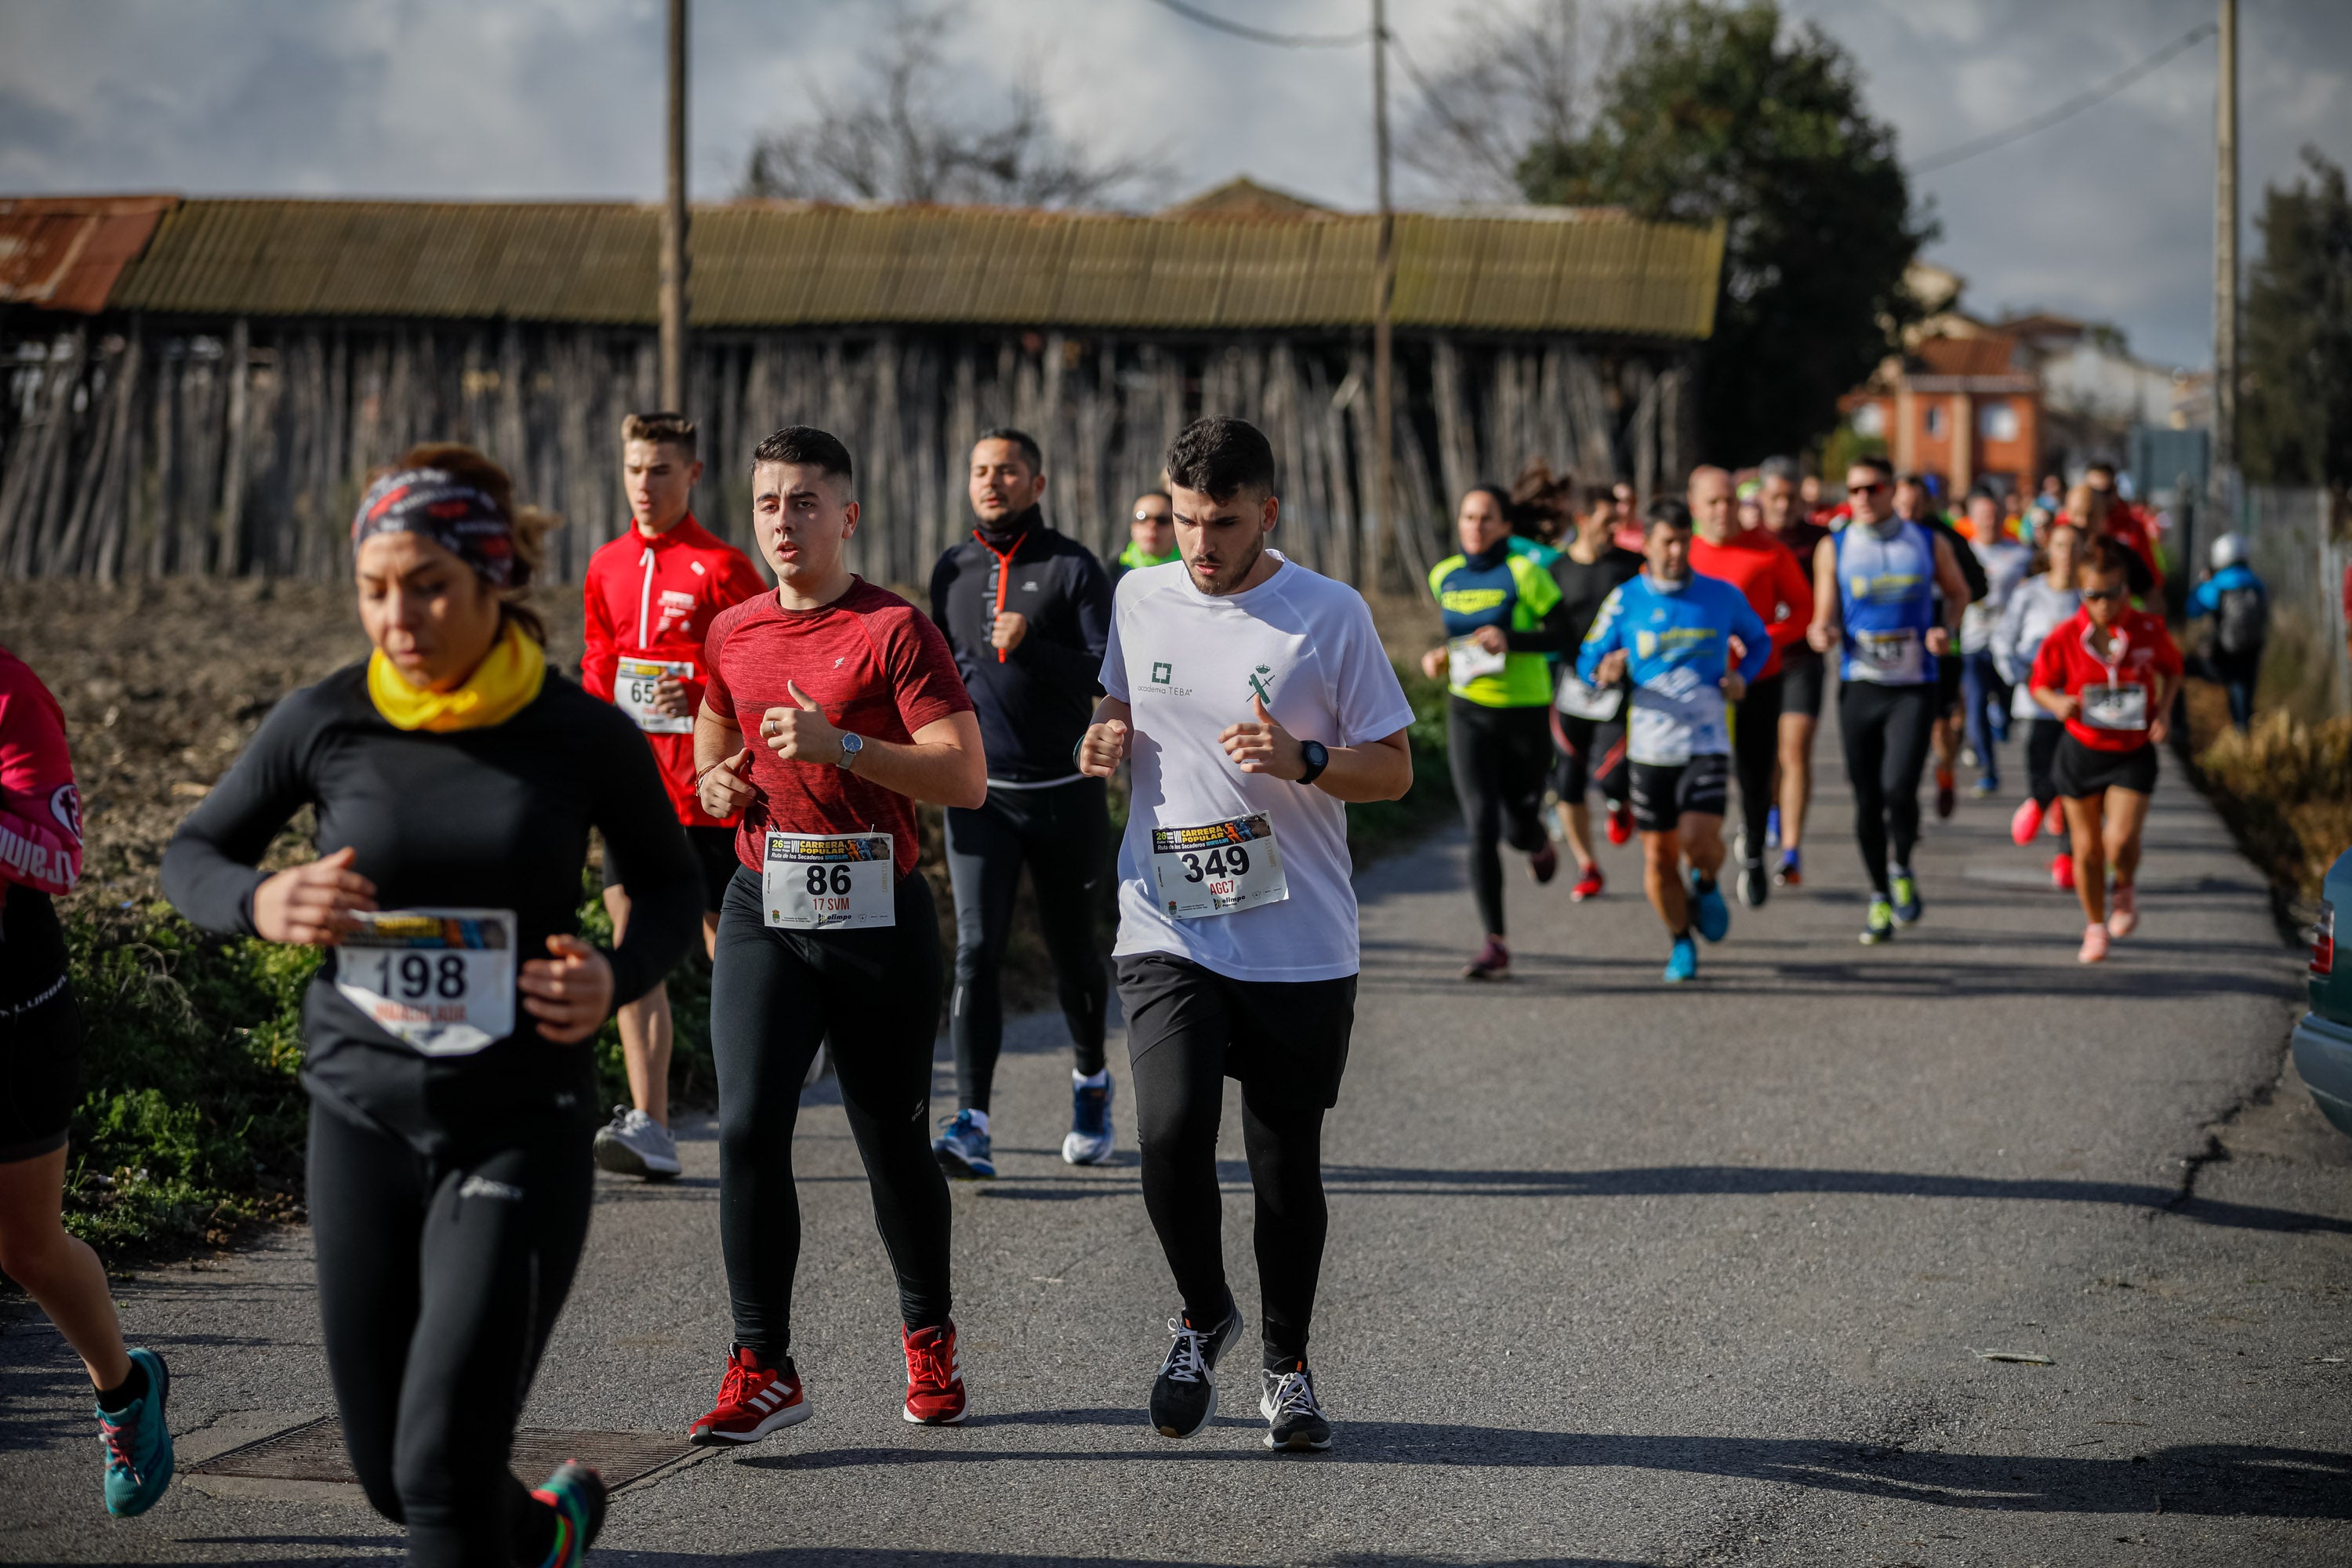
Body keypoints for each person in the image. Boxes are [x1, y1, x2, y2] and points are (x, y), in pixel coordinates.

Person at [162, 445, 703, 1565]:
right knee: (389, 1476)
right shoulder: (327, 719)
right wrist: (263, 899)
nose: (397, 618)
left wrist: (613, 975)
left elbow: (668, 886)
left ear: (492, 574)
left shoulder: (578, 731)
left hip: (517, 1123)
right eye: (373, 590)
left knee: (441, 1467)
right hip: (360, 1117)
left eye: (427, 586)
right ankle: (542, 1532)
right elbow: (193, 855)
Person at [1076, 416, 1413, 1454]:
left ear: (1267, 511)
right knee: (1169, 1129)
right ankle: (1202, 1311)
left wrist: (1306, 759)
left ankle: (1286, 1367)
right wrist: (1105, 730)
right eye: (1184, 520)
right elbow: (1118, 696)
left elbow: (1393, 769)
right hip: (1166, 918)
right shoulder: (1139, 594)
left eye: (1221, 522)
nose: (1200, 543)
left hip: (1297, 934)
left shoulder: (1329, 614)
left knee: (1283, 1164)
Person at [688, 426, 987, 1442]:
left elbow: (963, 775)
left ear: (847, 516)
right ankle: (762, 1365)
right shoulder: (734, 629)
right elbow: (714, 723)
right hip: (764, 903)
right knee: (744, 1128)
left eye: (805, 501)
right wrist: (715, 780)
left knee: (892, 1142)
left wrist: (844, 745)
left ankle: (928, 1333)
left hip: (877, 912)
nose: (784, 520)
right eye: (769, 502)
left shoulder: (894, 630)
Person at [1, 644, 175, 1520]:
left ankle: (123, 1388)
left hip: (14, 1016)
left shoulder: (11, 695)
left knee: (26, 1249)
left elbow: (61, 859)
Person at [580, 411, 767, 1181]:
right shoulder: (606, 565)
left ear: (692, 474)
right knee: (634, 949)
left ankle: (761, 1094)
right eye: (634, 469)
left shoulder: (723, 567)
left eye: (660, 470)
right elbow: (598, 661)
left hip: (710, 793)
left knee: (734, 951)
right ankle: (652, 1124)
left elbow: (757, 666)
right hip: (634, 793)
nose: (644, 484)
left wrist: (698, 698)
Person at [928, 428, 1116, 1176]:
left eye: (1007, 470)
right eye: (980, 469)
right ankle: (971, 1121)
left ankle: (1091, 1081)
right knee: (976, 951)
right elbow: (937, 676)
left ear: (1036, 484)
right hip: (981, 796)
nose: (991, 481)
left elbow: (1107, 676)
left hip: (1065, 795)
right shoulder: (952, 568)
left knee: (1074, 955)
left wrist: (1033, 645)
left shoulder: (1073, 566)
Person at [1577, 499, 1769, 982]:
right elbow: (1587, 658)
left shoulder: (1720, 596)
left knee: (1698, 841)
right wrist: (1605, 670)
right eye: (1667, 542)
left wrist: (1742, 677)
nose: (1677, 552)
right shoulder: (1626, 600)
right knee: (1659, 858)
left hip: (1706, 741)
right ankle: (1681, 940)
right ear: (1647, 544)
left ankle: (1706, 882)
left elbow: (1760, 640)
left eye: (1684, 541)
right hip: (1649, 748)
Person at [1806, 456, 1973, 945]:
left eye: (1871, 488)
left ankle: (1902, 864)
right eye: (1853, 490)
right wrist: (1822, 632)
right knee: (1867, 800)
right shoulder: (1834, 546)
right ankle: (1880, 894)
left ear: (1891, 491)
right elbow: (1823, 614)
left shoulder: (1926, 541)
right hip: (1861, 686)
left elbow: (1959, 593)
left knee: (1899, 788)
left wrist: (1946, 629)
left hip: (1914, 686)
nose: (1861, 498)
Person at [1421, 485, 1566, 978]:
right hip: (1468, 711)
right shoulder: (1444, 574)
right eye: (1468, 517)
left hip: (1524, 713)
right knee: (1480, 824)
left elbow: (1564, 636)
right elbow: (1457, 636)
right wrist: (1439, 656)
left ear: (1505, 525)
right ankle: (1495, 943)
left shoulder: (1525, 573)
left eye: (1486, 518)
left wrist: (1512, 640)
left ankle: (1537, 840)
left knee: (1516, 828)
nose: (1475, 527)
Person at [2029, 535, 2184, 964]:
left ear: (2126, 589)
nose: (2103, 604)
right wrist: (2057, 703)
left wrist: (2164, 713)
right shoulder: (2065, 636)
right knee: (2087, 850)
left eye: (2113, 593)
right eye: (2092, 595)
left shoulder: (2148, 629)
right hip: (2082, 752)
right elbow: (2039, 684)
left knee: (2119, 842)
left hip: (2132, 751)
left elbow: (2174, 671)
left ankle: (2126, 886)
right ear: (2081, 591)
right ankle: (2095, 925)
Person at [1686, 465, 1813, 909]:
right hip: (1697, 688)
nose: (1723, 510)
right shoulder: (1682, 554)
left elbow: (1803, 610)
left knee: (1755, 775)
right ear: (1694, 506)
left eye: (1730, 501)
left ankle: (1754, 849)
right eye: (1713, 502)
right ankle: (1700, 865)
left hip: (1758, 678)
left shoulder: (1769, 552)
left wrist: (1763, 638)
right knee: (1701, 778)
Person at [1544, 483, 1643, 899]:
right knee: (1567, 783)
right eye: (1606, 522)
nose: (1615, 529)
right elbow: (1544, 630)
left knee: (1612, 776)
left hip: (1618, 687)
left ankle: (1620, 804)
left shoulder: (1631, 566)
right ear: (1582, 520)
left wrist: (1625, 658)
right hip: (1569, 688)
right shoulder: (1555, 571)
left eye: (1617, 521)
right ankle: (1588, 866)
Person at [1994, 522, 2084, 890]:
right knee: (2041, 770)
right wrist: (2020, 674)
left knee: (2076, 783)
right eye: (2060, 546)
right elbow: (2004, 639)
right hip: (2037, 703)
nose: (2067, 555)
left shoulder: (2090, 596)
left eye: (2075, 547)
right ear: (2049, 550)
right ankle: (2040, 801)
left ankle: (2067, 857)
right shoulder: (2029, 593)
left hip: (2079, 707)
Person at [1893, 474, 1988, 821]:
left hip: (1942, 644)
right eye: (1902, 507)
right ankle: (1903, 796)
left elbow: (1979, 586)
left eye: (1916, 506)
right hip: (1896, 647)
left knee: (1940, 723)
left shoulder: (1945, 538)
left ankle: (1945, 771)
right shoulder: (1882, 538)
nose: (1909, 514)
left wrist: (1947, 596)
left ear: (1929, 505)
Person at [1755, 456, 1831, 887]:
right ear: (1762, 497)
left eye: (1791, 496)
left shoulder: (1820, 541)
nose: (1784, 505)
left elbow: (1832, 593)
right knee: (1766, 756)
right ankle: (1771, 808)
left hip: (1803, 661)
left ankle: (1790, 850)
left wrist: (1826, 624)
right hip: (1758, 663)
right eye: (1776, 496)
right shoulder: (1750, 541)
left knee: (1795, 751)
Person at [1958, 488, 2034, 797]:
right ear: (1972, 518)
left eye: (1994, 514)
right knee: (1975, 704)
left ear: (2004, 516)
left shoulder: (2021, 554)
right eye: (1983, 515)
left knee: (2008, 705)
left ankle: (2001, 718)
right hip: (1973, 642)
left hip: (2009, 645)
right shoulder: (1962, 553)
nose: (1989, 521)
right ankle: (1989, 771)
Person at [2185, 532, 2267, 732]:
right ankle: (2245, 733)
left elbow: (2192, 609)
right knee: (2245, 691)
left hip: (2226, 651)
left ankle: (2236, 732)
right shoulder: (2257, 583)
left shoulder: (2218, 583)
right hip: (2253, 649)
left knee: (2187, 668)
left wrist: (2204, 581)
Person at [2082, 462, 2165, 597]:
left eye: (2105, 491)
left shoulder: (2132, 527)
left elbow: (2152, 583)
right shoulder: (2069, 525)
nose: (2099, 498)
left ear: (2115, 490)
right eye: (2093, 492)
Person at [1112, 490, 1179, 586]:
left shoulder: (1191, 571)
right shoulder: (1113, 572)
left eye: (1162, 520)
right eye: (1142, 517)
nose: (1152, 526)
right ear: (1132, 526)